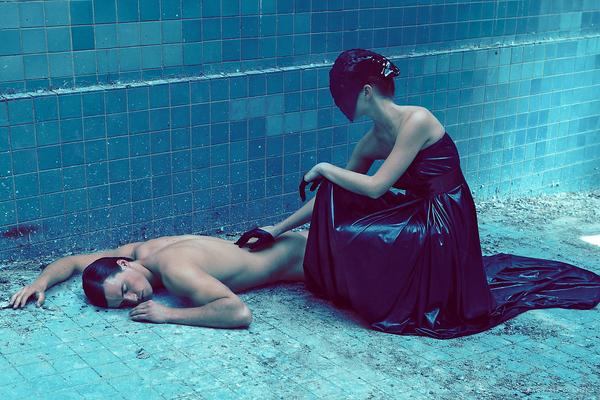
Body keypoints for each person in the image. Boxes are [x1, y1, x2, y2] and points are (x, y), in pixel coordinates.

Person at [236, 49, 600, 339]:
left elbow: (376, 187)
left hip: (445, 220)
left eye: (344, 92)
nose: (338, 101)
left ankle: (393, 287)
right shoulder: (372, 141)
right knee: (336, 191)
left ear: (366, 91)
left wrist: (325, 168)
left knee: (345, 199)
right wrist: (276, 229)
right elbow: (335, 194)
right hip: (415, 209)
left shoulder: (417, 121)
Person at [9, 231, 307, 328]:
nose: (132, 299)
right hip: (296, 243)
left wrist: (168, 314)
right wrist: (39, 283)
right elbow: (74, 262)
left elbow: (239, 313)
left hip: (314, 259)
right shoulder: (140, 253)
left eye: (125, 289)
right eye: (122, 303)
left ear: (123, 265)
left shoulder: (176, 270)